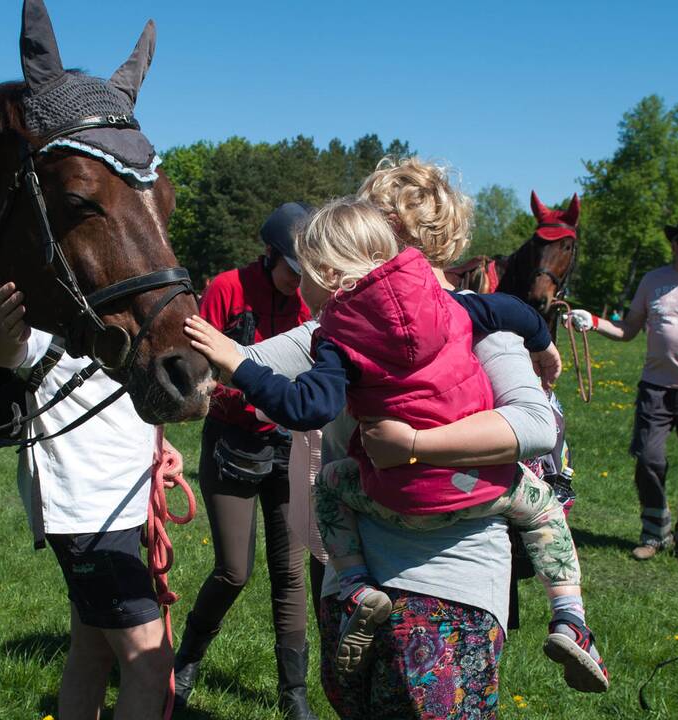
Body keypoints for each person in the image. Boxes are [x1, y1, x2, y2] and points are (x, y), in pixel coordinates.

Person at [185, 197, 607, 693]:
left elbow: (307, 408)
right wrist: (541, 343)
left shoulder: (338, 336)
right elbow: (514, 309)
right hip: (478, 489)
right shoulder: (450, 302)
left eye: (305, 272)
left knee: (331, 485)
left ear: (324, 272)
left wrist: (237, 365)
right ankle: (570, 617)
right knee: (542, 508)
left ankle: (357, 583)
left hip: (395, 495)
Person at [0, 278, 181, 720]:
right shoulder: (46, 301)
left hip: (119, 508)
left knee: (92, 650)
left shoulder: (118, 295)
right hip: (86, 515)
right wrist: (4, 323)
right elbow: (3, 348)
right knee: (150, 663)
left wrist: (156, 446)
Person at [173, 203, 319, 720]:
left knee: (290, 572)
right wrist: (246, 396)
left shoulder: (307, 302)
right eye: (291, 272)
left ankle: (293, 692)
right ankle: (185, 661)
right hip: (232, 442)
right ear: (270, 255)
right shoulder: (227, 288)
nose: (296, 285)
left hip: (288, 445)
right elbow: (199, 371)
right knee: (235, 571)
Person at [565, 210, 678, 568]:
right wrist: (592, 322)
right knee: (650, 459)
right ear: (673, 243)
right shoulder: (654, 281)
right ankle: (654, 533)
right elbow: (629, 329)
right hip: (656, 388)